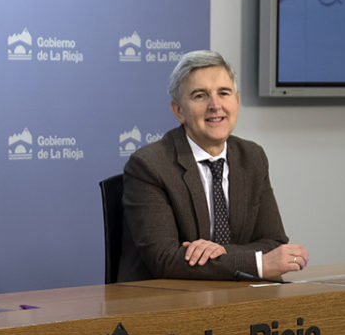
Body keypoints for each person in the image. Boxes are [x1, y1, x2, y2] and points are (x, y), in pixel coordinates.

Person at [118, 50, 309, 282]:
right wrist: (257, 263)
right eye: (200, 95)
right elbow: (165, 259)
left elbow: (274, 241)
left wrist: (221, 252)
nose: (215, 105)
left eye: (224, 93)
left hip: (236, 296)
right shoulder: (149, 165)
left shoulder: (252, 157)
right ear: (179, 110)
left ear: (236, 102)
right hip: (168, 303)